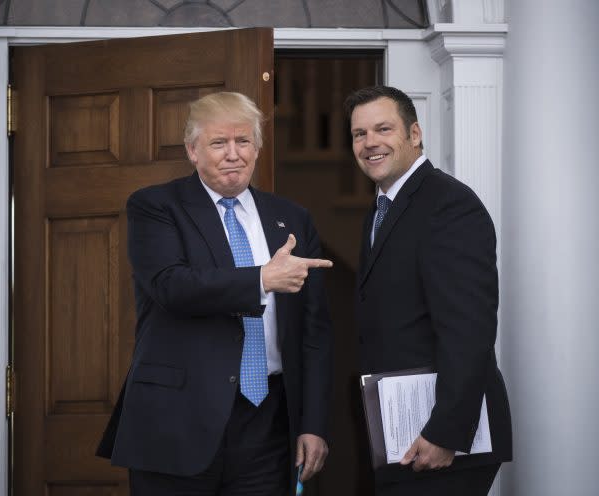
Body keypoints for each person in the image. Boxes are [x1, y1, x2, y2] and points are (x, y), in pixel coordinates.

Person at [96, 91, 334, 495]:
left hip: (267, 424)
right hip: (177, 422)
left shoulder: (291, 218)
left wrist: (311, 424)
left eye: (243, 141)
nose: (233, 154)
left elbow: (313, 333)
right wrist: (261, 279)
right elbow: (172, 287)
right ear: (192, 150)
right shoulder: (156, 206)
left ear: (257, 148)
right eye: (218, 142)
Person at [346, 85, 512, 495]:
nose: (370, 143)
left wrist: (446, 432)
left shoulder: (447, 204)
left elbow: (468, 330)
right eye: (359, 134)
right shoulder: (381, 208)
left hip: (441, 439)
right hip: (403, 432)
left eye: (383, 129)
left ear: (415, 134)